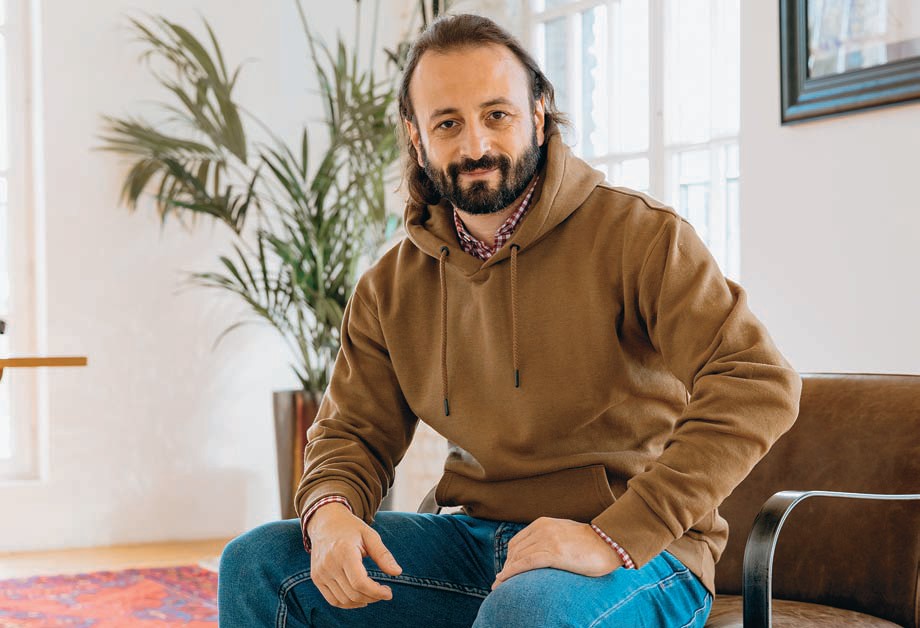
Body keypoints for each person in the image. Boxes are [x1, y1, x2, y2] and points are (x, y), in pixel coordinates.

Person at [218, 13, 802, 628]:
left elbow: (757, 381)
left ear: (539, 115)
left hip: (639, 554)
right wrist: (330, 511)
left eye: (497, 115)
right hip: (475, 544)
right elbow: (352, 433)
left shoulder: (640, 236)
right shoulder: (389, 287)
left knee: (527, 609)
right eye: (448, 123)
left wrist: (616, 534)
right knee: (258, 565)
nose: (476, 146)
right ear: (416, 137)